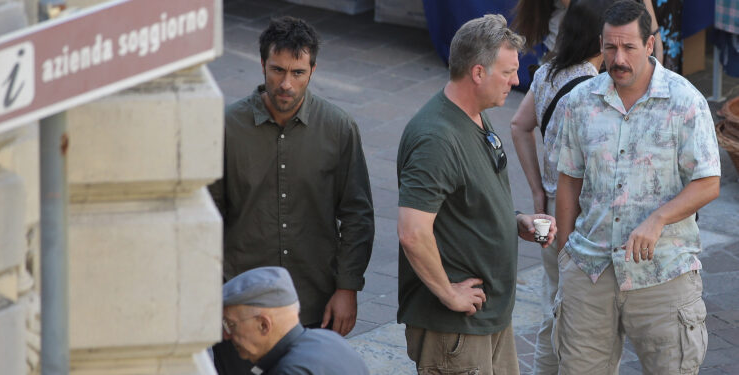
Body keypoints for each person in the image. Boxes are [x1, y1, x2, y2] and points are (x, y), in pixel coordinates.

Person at [554, 1, 721, 373]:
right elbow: (568, 180)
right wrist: (566, 255)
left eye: (629, 47)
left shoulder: (685, 101)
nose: (619, 58)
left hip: (663, 275)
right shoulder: (580, 102)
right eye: (611, 47)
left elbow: (709, 182)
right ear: (600, 43)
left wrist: (658, 219)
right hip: (589, 274)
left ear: (649, 45)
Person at [209, 16, 374, 374]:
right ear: (262, 65)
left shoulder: (338, 128)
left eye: (298, 72)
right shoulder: (225, 128)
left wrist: (348, 288)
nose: (286, 84)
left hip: (314, 303)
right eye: (277, 70)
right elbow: (207, 215)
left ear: (313, 69)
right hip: (242, 309)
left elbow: (357, 214)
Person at [396, 14, 557, 375]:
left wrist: (517, 222)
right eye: (508, 72)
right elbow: (412, 231)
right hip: (455, 331)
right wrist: (449, 293)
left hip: (488, 321)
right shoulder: (436, 139)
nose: (517, 81)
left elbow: (468, 200)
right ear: (478, 73)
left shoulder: (474, 116)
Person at [510, 0, 610, 373]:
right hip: (583, 219)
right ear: (600, 39)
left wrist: (538, 189)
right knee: (585, 323)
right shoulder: (595, 87)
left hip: (550, 211)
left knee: (553, 309)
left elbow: (519, 126)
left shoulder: (548, 72)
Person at [221, 267, 369, 375]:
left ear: (264, 325)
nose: (226, 335)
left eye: (230, 325)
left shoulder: (290, 370)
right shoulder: (330, 340)